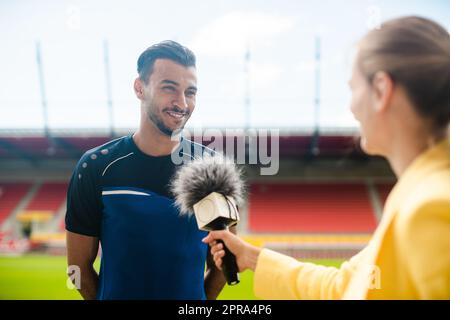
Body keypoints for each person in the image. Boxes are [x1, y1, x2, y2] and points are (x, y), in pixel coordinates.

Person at [203, 16, 450, 299]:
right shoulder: (419, 196)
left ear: (381, 90)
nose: (352, 106)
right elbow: (343, 287)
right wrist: (251, 258)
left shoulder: (431, 208)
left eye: (354, 88)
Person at [66, 40, 228, 300]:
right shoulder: (95, 166)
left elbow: (224, 264)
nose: (182, 103)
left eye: (191, 92)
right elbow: (74, 269)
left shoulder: (214, 171)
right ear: (139, 88)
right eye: (169, 88)